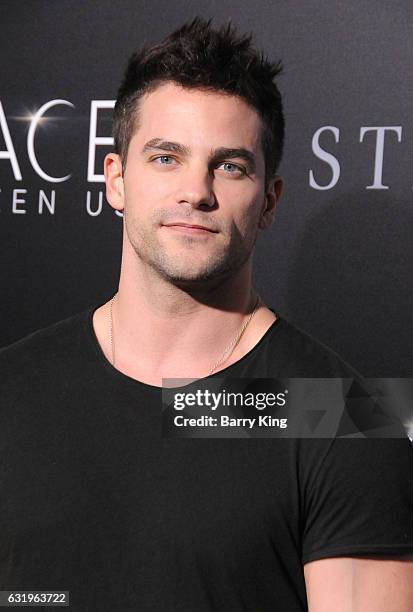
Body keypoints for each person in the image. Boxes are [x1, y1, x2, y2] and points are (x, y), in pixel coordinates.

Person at [0, 17, 412, 612]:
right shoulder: (13, 386)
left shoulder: (340, 416)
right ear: (116, 180)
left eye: (230, 166)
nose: (196, 190)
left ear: (269, 200)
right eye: (166, 158)